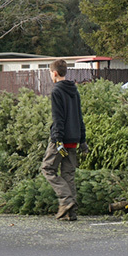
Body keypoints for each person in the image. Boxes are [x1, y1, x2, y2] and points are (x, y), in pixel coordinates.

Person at [42, 59, 85, 221]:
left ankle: (65, 200)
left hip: (60, 139)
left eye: (49, 73)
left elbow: (58, 119)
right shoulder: (74, 90)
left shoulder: (56, 91)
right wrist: (83, 140)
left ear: (54, 73)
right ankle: (70, 213)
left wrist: (58, 141)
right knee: (68, 174)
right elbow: (79, 117)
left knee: (48, 169)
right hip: (74, 138)